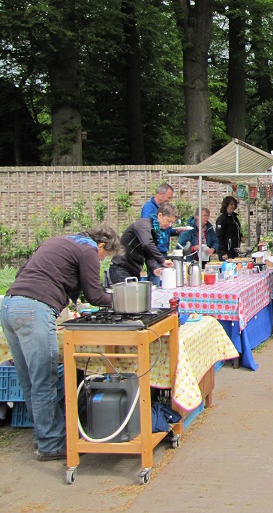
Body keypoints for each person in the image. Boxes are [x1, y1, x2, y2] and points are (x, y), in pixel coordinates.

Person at [1, 224, 120, 461]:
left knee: (30, 380)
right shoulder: (88, 251)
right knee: (44, 379)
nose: (102, 260)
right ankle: (51, 444)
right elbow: (95, 295)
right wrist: (121, 298)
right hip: (35, 308)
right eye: (105, 256)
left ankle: (45, 436)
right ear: (102, 246)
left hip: (9, 305)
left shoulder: (57, 241)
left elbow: (22, 273)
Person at [108, 203, 177, 284]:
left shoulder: (155, 232)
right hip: (120, 269)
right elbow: (147, 243)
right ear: (160, 215)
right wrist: (162, 260)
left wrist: (154, 269)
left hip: (134, 270)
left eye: (172, 223)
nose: (169, 225)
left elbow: (149, 255)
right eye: (168, 221)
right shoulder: (143, 225)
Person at [141, 183, 178, 283]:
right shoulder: (149, 208)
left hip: (162, 250)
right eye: (168, 197)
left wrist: (176, 231)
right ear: (161, 194)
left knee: (164, 281)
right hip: (154, 251)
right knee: (156, 281)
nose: (169, 200)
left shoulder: (163, 209)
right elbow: (148, 231)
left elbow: (165, 229)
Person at [215, 196, 242, 261]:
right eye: (231, 204)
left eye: (234, 205)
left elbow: (234, 232)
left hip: (234, 250)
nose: (233, 206)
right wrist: (223, 252)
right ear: (226, 205)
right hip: (226, 252)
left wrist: (241, 237)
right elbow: (219, 236)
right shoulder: (222, 219)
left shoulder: (234, 218)